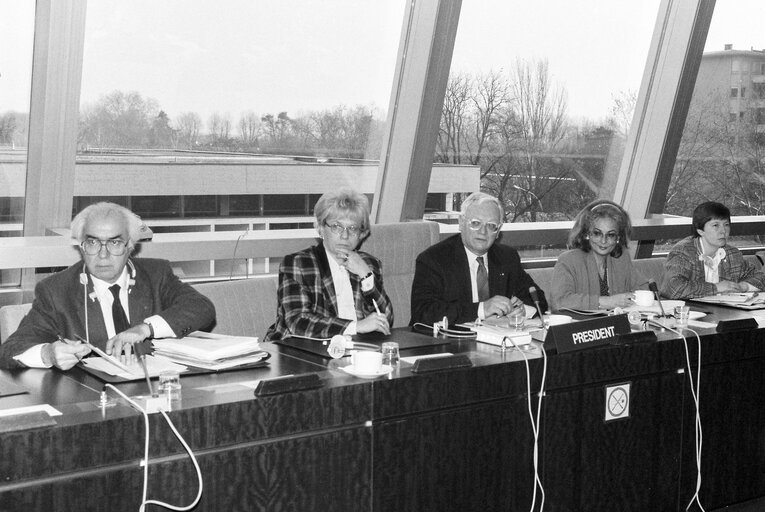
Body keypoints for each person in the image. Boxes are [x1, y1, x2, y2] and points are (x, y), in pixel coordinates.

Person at [0, 202, 216, 370]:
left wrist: (145, 328)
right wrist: (48, 354)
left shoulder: (156, 275)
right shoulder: (56, 291)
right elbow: (10, 351)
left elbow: (201, 308)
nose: (103, 255)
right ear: (82, 247)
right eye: (93, 243)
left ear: (130, 246)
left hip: (158, 394)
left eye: (114, 242)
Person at [264, 189, 393, 342]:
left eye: (352, 228)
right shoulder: (298, 264)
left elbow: (386, 319)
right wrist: (355, 327)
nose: (345, 236)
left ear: (362, 234)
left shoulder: (369, 264)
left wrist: (365, 273)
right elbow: (298, 322)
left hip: (355, 351)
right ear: (320, 228)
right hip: (300, 351)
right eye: (337, 227)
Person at [410, 191, 547, 326]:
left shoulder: (507, 257)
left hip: (497, 342)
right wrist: (482, 309)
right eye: (475, 223)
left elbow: (538, 298)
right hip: (450, 343)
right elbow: (423, 312)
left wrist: (522, 311)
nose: (483, 232)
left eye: (491, 226)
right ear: (461, 223)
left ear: (498, 232)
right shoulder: (434, 259)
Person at [550, 200, 647, 311]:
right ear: (587, 234)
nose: (603, 241)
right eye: (597, 233)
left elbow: (643, 287)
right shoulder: (568, 260)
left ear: (618, 238)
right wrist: (607, 302)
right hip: (583, 326)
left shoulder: (621, 257)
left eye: (610, 235)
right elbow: (559, 302)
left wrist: (632, 297)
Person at [661, 201, 765, 299]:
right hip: (691, 314)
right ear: (700, 231)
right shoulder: (683, 252)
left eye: (726, 224)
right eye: (716, 225)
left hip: (725, 313)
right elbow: (673, 288)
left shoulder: (732, 253)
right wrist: (716, 288)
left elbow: (760, 277)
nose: (723, 231)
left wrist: (744, 286)